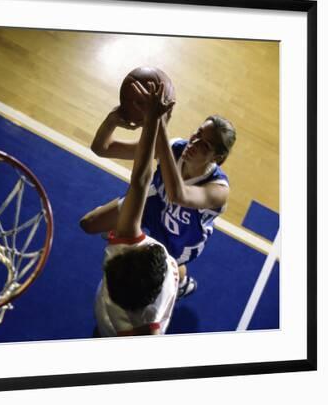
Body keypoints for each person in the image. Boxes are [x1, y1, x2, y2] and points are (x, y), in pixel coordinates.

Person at [81, 88, 236, 299]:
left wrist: (159, 123)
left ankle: (181, 281)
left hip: (182, 235)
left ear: (217, 158)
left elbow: (178, 195)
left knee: (144, 283)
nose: (195, 142)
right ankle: (124, 228)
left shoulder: (218, 190)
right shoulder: (174, 148)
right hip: (153, 204)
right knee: (89, 224)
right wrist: (114, 119)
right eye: (198, 133)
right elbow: (102, 148)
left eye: (205, 144)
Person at [94, 80, 179, 337]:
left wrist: (152, 120)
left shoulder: (118, 254)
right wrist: (154, 121)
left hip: (112, 329)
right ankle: (184, 281)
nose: (141, 241)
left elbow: (141, 181)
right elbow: (143, 182)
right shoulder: (150, 330)